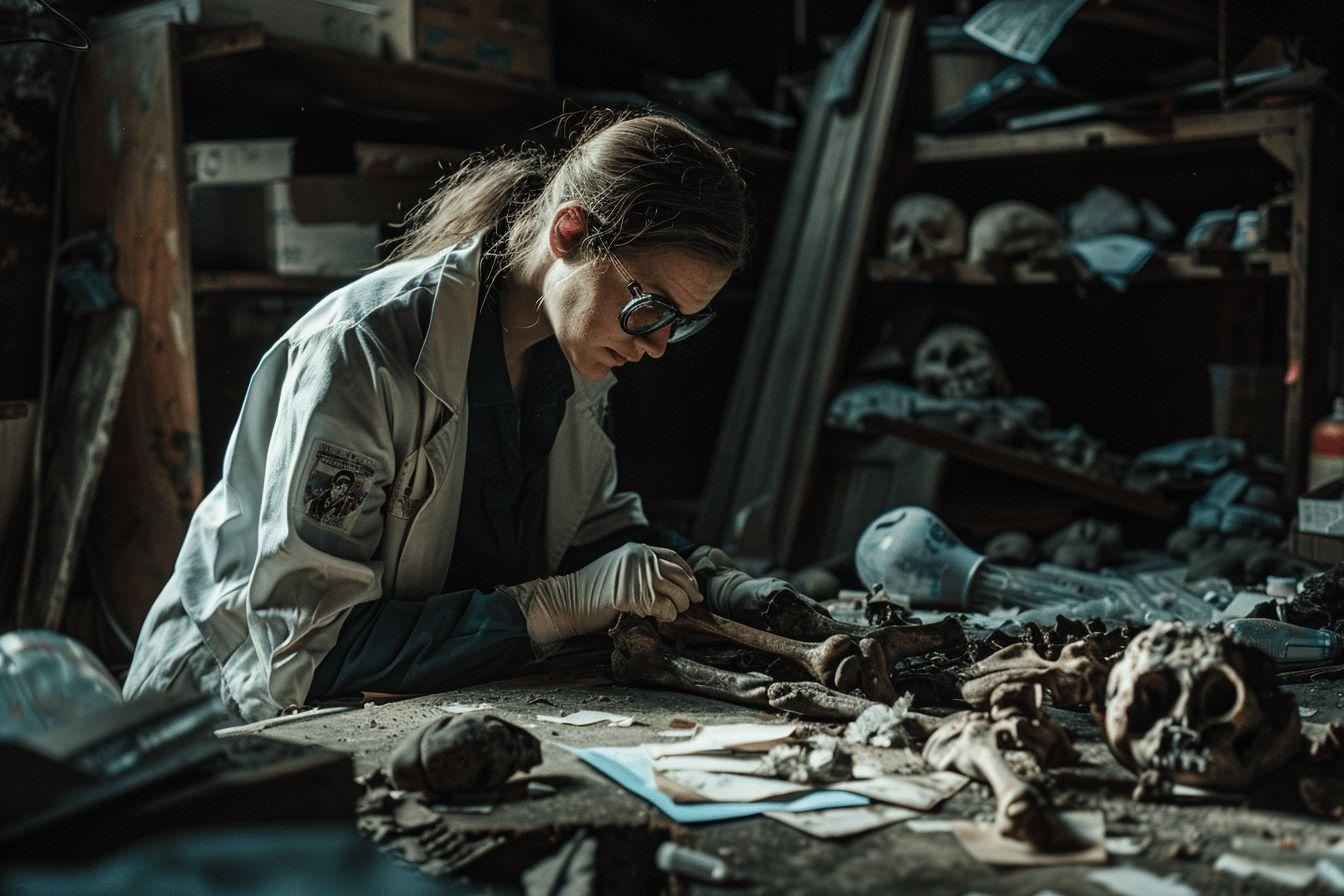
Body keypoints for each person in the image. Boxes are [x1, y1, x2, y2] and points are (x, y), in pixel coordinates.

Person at [124, 113, 803, 722]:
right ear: (570, 232)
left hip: (399, 696)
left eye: (679, 325)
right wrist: (554, 606)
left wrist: (720, 582)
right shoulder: (364, 351)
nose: (655, 345)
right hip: (222, 713)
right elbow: (311, 648)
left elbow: (586, 531)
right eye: (649, 308)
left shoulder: (574, 356)